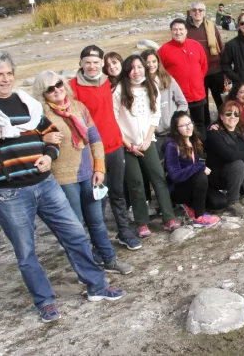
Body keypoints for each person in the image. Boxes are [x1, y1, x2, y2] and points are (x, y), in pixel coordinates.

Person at [0, 51, 124, 322]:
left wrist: (49, 155)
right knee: (26, 252)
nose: (6, 79)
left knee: (76, 235)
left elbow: (50, 136)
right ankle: (44, 301)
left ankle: (97, 286)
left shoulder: (27, 103)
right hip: (10, 193)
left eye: (9, 73)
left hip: (46, 184)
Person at [33, 71, 133, 276]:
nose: (56, 90)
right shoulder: (40, 116)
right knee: (76, 227)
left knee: (97, 221)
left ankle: (108, 259)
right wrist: (43, 140)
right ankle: (87, 270)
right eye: (49, 89)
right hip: (63, 178)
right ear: (42, 94)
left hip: (88, 174)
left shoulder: (79, 107)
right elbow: (31, 145)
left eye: (58, 84)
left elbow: (95, 139)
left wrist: (99, 168)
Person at [69, 46, 141, 250]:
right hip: (91, 151)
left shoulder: (109, 82)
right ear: (81, 64)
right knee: (96, 197)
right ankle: (97, 242)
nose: (92, 66)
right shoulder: (72, 87)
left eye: (95, 62)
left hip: (114, 145)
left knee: (117, 192)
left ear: (102, 63)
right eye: (87, 62)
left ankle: (124, 232)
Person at [113, 55, 180, 237]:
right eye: (132, 68)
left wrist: (148, 138)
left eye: (140, 67)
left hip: (147, 141)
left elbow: (155, 115)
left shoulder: (151, 86)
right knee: (135, 182)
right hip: (127, 144)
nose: (137, 71)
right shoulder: (119, 90)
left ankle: (169, 218)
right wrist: (128, 143)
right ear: (127, 70)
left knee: (158, 176)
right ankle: (142, 223)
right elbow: (114, 120)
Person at [162, 112, 220, 227]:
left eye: (190, 123)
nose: (188, 127)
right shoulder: (172, 145)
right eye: (183, 125)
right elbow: (175, 175)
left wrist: (213, 128)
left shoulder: (192, 139)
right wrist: (199, 167)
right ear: (176, 129)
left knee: (219, 202)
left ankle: (191, 205)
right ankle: (199, 217)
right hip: (178, 189)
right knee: (200, 175)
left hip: (193, 185)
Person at [158, 18, 209, 137]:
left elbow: (204, 65)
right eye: (175, 29)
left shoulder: (195, 45)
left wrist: (197, 80)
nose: (178, 32)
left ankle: (202, 151)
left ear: (186, 31)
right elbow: (160, 72)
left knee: (199, 124)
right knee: (180, 127)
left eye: (181, 29)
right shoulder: (164, 50)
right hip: (178, 98)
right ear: (171, 31)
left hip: (198, 94)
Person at [185, 1, 226, 125]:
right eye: (194, 10)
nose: (197, 12)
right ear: (190, 12)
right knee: (202, 102)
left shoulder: (211, 26)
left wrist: (225, 69)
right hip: (196, 73)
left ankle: (224, 124)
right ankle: (206, 127)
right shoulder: (185, 29)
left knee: (220, 99)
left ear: (204, 12)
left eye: (200, 10)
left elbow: (220, 46)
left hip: (215, 69)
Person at [141, 48, 188, 152]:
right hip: (153, 135)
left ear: (158, 62)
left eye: (154, 61)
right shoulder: (140, 85)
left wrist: (175, 119)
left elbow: (183, 103)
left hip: (173, 132)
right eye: (147, 62)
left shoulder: (168, 80)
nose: (151, 65)